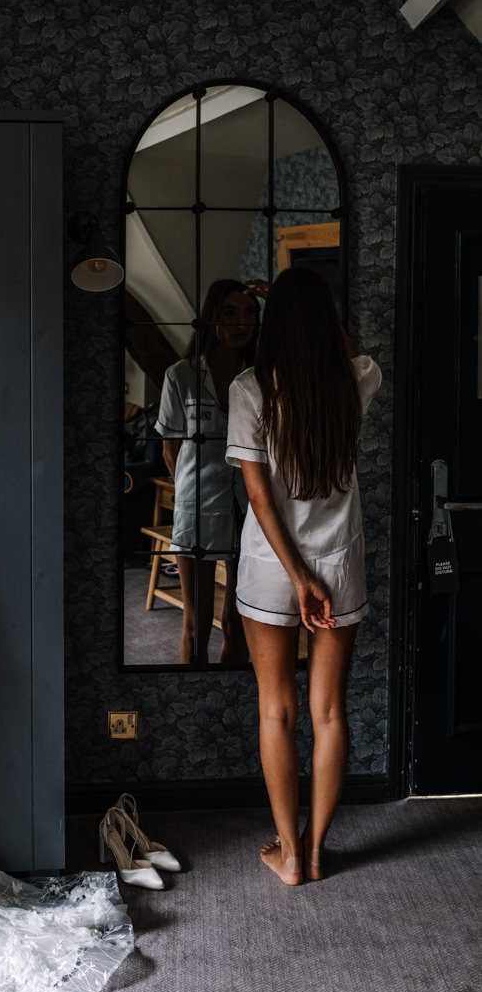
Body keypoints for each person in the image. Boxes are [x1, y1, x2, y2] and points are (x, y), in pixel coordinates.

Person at [225, 267, 381, 884]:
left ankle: (288, 855)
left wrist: (294, 577)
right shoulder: (357, 378)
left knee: (276, 710)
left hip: (271, 567)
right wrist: (308, 305)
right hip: (340, 561)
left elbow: (259, 496)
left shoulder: (250, 388)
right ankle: (318, 851)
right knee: (329, 712)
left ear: (275, 324)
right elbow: (345, 346)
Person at [155, 278, 264, 666]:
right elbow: (170, 446)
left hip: (251, 506)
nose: (240, 323)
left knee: (240, 619)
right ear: (212, 319)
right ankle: (194, 696)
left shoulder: (263, 377)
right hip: (198, 504)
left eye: (249, 314)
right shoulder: (182, 375)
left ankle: (227, 699)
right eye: (229, 313)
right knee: (196, 623)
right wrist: (192, 489)